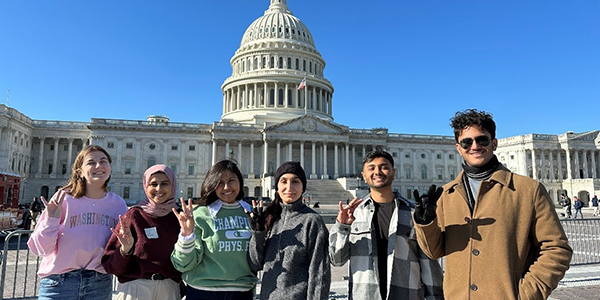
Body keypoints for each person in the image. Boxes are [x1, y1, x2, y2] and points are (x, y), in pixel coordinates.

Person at [413, 109, 573, 300]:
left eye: (482, 140)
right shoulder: (446, 194)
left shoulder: (528, 190)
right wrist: (426, 223)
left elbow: (556, 248)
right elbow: (434, 251)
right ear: (458, 148)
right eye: (467, 142)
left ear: (494, 143)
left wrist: (526, 294)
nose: (475, 146)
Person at [329, 150, 444, 300]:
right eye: (371, 168)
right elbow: (337, 260)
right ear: (363, 176)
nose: (377, 172)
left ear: (393, 172)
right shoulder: (354, 216)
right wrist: (342, 227)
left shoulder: (413, 214)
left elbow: (428, 261)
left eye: (383, 167)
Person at [27, 145, 128, 300]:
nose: (98, 166)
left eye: (103, 161)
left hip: (99, 284)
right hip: (59, 283)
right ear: (79, 171)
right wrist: (51, 220)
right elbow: (41, 249)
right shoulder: (63, 199)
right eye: (91, 162)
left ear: (110, 168)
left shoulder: (119, 205)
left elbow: (117, 249)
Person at [171, 160, 256, 300]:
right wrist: (186, 235)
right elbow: (183, 264)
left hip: (241, 293)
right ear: (212, 184)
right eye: (220, 183)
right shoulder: (200, 214)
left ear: (240, 181)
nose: (227, 187)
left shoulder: (252, 213)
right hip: (203, 293)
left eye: (231, 180)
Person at [247, 162, 331, 300]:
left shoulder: (312, 221)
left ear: (303, 187)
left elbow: (320, 272)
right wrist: (258, 233)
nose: (289, 187)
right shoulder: (270, 219)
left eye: (295, 182)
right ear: (277, 187)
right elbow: (255, 264)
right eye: (283, 181)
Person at [102, 164, 182, 300]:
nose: (159, 189)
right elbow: (111, 267)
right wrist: (125, 250)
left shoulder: (179, 217)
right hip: (135, 289)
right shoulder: (134, 216)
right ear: (146, 186)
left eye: (164, 183)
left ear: (173, 185)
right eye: (153, 184)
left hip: (169, 289)